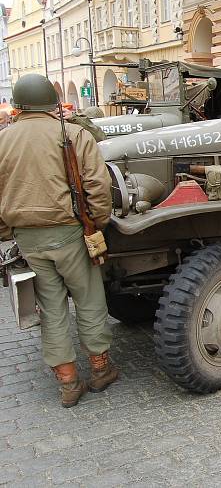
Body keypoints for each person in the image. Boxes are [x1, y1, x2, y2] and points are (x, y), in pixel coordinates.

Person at [0, 74, 118, 408]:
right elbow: (97, 185)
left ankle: (68, 382)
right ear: (52, 103)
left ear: (19, 105)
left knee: (50, 309)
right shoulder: (74, 134)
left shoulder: (3, 140)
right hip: (70, 233)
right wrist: (97, 224)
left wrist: (8, 231)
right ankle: (100, 370)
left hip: (28, 238)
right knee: (89, 299)